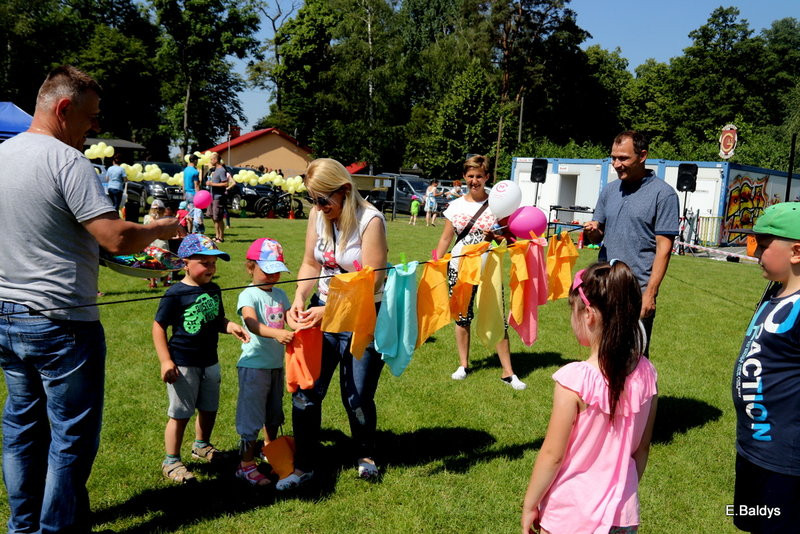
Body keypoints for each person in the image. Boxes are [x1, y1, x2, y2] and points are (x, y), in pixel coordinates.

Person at [0, 65, 181, 534]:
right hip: (61, 324)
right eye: (92, 115)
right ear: (63, 108)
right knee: (70, 437)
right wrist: (160, 229)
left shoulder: (3, 154)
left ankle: (24, 527)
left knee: (22, 429)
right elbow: (116, 237)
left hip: (7, 316)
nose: (95, 126)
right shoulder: (68, 161)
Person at [521, 261, 658, 534]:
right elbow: (642, 449)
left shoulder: (574, 380)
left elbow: (552, 455)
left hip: (569, 515)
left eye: (573, 311)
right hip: (622, 516)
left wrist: (530, 504)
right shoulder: (647, 374)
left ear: (589, 315)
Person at [282, 157, 388, 490]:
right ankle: (304, 465)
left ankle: (365, 455)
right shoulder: (317, 216)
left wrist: (328, 311)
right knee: (306, 391)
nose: (317, 206)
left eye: (323, 200)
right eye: (312, 199)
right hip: (320, 312)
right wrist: (300, 297)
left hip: (361, 316)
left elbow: (371, 282)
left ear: (343, 190)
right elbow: (310, 263)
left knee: (356, 396)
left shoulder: (370, 221)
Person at [152, 233, 250, 484]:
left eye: (214, 263)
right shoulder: (175, 293)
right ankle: (171, 461)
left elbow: (216, 320)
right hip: (183, 363)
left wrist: (230, 326)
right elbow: (158, 326)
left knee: (209, 407)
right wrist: (165, 360)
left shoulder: (213, 289)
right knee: (180, 413)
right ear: (185, 263)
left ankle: (201, 445)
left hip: (210, 361)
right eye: (204, 263)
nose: (211, 268)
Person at [731, 202, 800, 534]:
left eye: (763, 244)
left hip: (785, 461)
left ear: (796, 251)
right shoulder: (775, 292)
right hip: (753, 448)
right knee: (755, 523)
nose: (755, 252)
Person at [434, 155, 526, 390]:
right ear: (464, 177)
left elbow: (510, 239)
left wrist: (495, 237)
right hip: (459, 268)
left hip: (489, 271)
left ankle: (508, 372)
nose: (474, 181)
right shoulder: (455, 206)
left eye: (479, 176)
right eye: (470, 176)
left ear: (487, 177)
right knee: (462, 317)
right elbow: (445, 238)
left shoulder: (497, 204)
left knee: (497, 317)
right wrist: (436, 261)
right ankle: (463, 365)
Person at [583, 131, 679, 356]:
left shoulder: (663, 195)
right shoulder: (609, 190)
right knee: (602, 353)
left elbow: (664, 250)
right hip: (605, 286)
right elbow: (597, 238)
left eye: (623, 158)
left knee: (634, 360)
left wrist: (650, 293)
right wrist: (593, 232)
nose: (616, 164)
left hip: (637, 290)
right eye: (613, 158)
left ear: (642, 156)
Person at [235, 238, 300, 486]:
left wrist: (299, 322)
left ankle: (269, 449)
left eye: (277, 271)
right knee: (251, 417)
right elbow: (251, 323)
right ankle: (245, 465)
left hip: (275, 365)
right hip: (253, 367)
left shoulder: (280, 294)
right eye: (267, 270)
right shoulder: (248, 294)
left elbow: (289, 317)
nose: (273, 276)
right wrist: (277, 334)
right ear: (251, 267)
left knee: (274, 413)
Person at [144, 199, 170, 289]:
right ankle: (165, 282)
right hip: (162, 243)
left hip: (153, 243)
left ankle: (153, 283)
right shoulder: (165, 219)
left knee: (152, 263)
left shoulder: (147, 218)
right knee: (165, 263)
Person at [206, 152, 228, 243]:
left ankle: (221, 237)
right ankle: (217, 236)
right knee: (213, 217)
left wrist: (212, 184)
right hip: (212, 197)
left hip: (218, 198)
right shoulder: (215, 170)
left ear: (215, 160)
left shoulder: (222, 170)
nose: (210, 161)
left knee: (219, 218)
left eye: (211, 159)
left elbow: (225, 183)